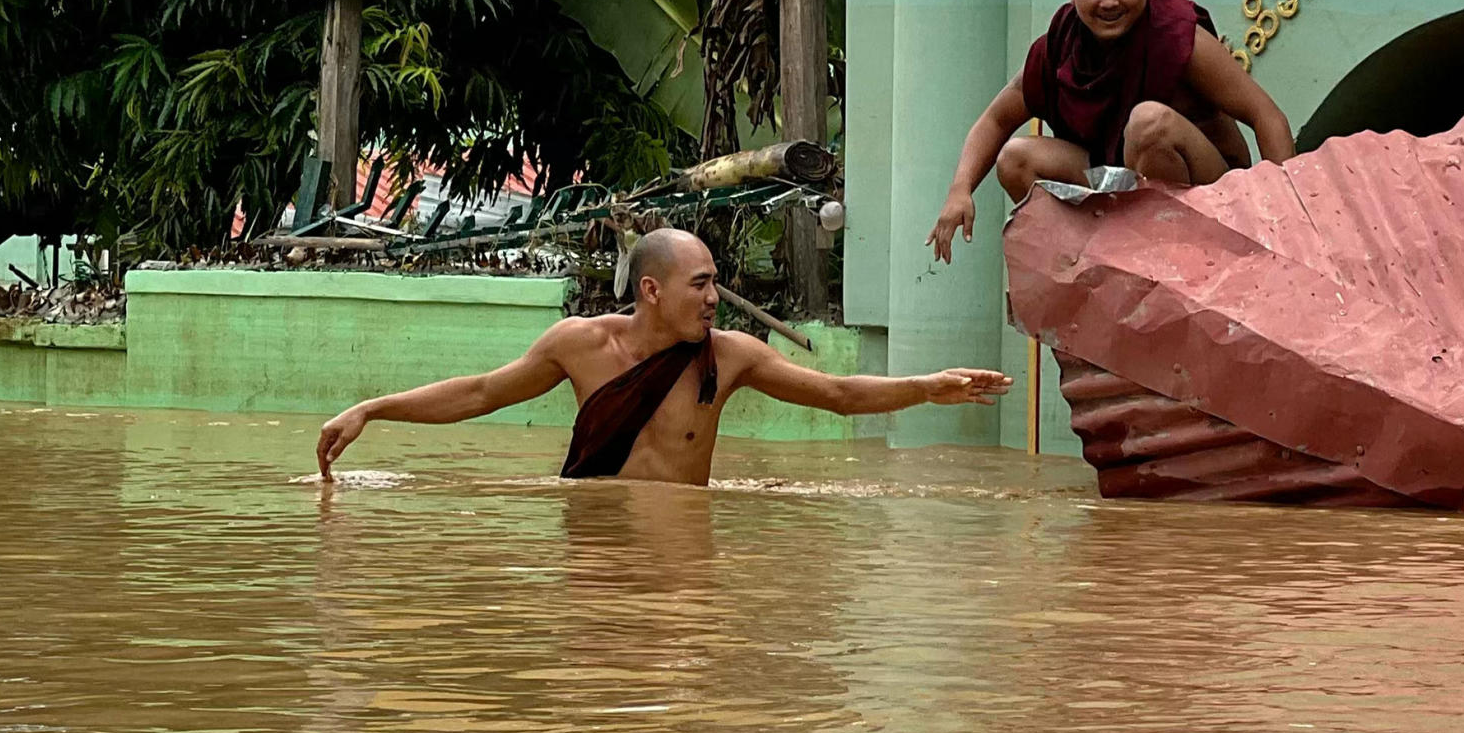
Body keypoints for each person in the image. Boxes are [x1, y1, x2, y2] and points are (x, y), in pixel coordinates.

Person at [315, 226, 1009, 485]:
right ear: (651, 290)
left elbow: (836, 394)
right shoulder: (578, 346)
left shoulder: (731, 356)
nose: (715, 298)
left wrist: (925, 386)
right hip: (593, 541)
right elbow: (480, 394)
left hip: (681, 551)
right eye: (700, 284)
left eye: (716, 283)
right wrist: (372, 411)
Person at [929, 0, 1295, 262]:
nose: (1108, 2)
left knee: (1148, 122)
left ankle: (1161, 257)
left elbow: (1268, 117)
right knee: (1016, 158)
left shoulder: (1176, 35)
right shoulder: (1061, 46)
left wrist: (1286, 223)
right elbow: (996, 119)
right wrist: (960, 190)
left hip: (1211, 193)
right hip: (1120, 184)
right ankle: (1083, 265)